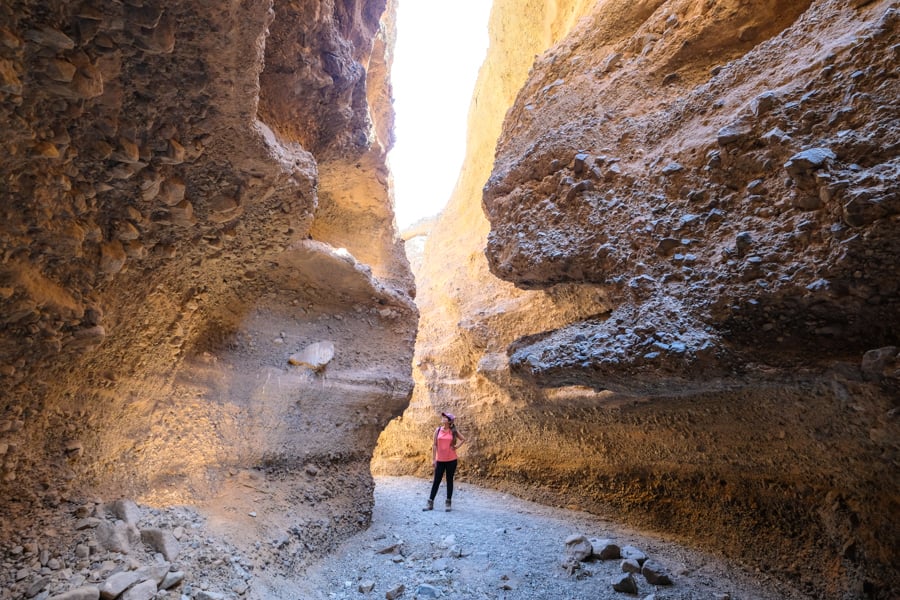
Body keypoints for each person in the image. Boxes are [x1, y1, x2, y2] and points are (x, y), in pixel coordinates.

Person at [423, 411, 466, 511]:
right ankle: (430, 503)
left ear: (449, 421)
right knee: (436, 481)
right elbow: (434, 445)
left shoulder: (453, 431)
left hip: (451, 460)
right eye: (443, 416)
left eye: (445, 417)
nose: (443, 418)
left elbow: (463, 439)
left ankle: (448, 503)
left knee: (449, 480)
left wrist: (456, 447)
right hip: (440, 460)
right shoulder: (437, 430)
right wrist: (433, 459)